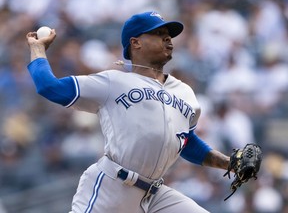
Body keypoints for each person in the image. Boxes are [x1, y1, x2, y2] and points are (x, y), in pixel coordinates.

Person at [26, 11, 231, 213]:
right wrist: (37, 50)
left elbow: (186, 143)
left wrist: (230, 164)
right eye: (158, 33)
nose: (168, 38)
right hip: (112, 186)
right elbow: (49, 87)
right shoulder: (113, 82)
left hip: (154, 195)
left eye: (168, 33)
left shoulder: (185, 92)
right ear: (136, 43)